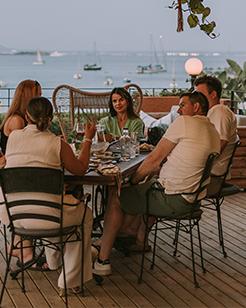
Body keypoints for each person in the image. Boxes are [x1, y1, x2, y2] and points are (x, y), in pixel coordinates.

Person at [92, 91, 219, 276]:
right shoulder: (213, 130)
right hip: (192, 198)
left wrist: (134, 181)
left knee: (117, 196)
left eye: (182, 105)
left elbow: (154, 158)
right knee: (141, 188)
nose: (179, 110)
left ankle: (102, 256)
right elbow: (189, 164)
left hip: (172, 198)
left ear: (196, 107)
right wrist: (154, 174)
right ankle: (120, 239)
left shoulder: (184, 122)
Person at [0, 96, 94, 292]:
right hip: (49, 218)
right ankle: (71, 279)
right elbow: (81, 168)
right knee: (84, 215)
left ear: (26, 117)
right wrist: (88, 139)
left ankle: (54, 261)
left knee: (52, 203)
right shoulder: (57, 144)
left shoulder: (14, 138)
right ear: (50, 118)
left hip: (14, 216)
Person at [194, 75, 239, 196]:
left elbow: (220, 144)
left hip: (209, 178)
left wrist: (194, 164)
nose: (197, 98)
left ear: (213, 94)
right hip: (203, 174)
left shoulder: (220, 111)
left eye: (200, 94)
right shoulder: (210, 113)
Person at [0, 80, 42, 153]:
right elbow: (23, 148)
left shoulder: (23, 117)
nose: (40, 101)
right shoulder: (17, 120)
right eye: (38, 97)